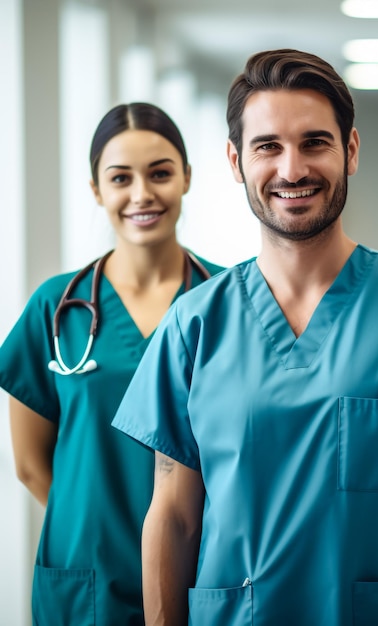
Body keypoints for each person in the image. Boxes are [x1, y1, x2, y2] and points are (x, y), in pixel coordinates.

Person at [112, 49, 378, 626]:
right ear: (235, 161)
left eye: (314, 142)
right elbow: (173, 515)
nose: (292, 169)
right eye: (267, 146)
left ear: (350, 151)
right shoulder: (194, 325)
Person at [0, 102, 225, 625]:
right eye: (120, 178)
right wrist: (96, 529)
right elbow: (31, 464)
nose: (142, 194)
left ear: (187, 178)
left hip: (202, 564)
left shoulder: (228, 302)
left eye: (160, 173)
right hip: (88, 576)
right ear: (97, 189)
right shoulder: (54, 309)